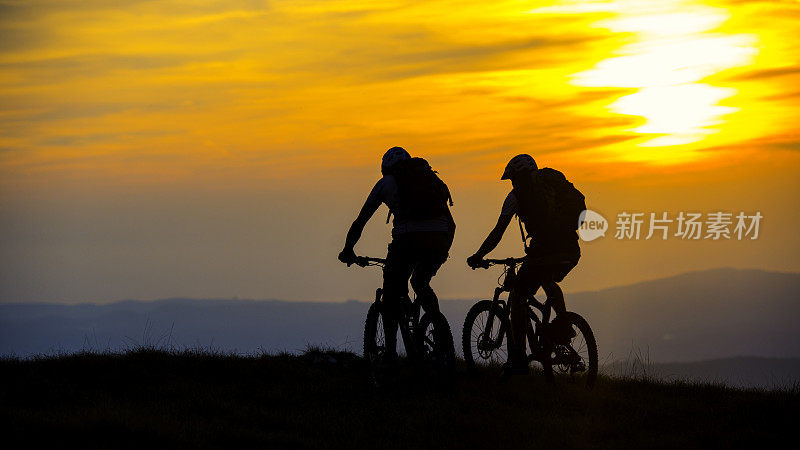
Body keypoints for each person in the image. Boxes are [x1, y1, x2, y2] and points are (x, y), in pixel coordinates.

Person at [466, 154, 583, 375]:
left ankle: (518, 358)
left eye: (511, 179)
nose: (511, 183)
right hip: (570, 249)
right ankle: (563, 324)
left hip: (543, 251)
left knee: (518, 296)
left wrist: (479, 254)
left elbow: (498, 231)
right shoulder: (554, 185)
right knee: (548, 280)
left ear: (515, 177)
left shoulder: (516, 195)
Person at [338, 147, 455, 361]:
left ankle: (390, 356)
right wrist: (442, 251)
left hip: (406, 242)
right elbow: (452, 224)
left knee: (391, 293)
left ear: (385, 169)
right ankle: (438, 332)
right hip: (438, 241)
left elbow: (360, 221)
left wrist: (348, 249)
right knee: (420, 283)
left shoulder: (386, 184)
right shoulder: (429, 180)